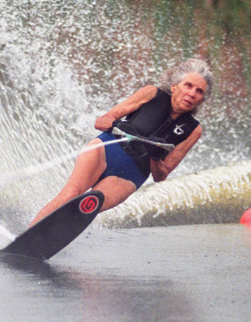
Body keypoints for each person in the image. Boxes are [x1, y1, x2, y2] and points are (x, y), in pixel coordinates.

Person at [30, 58, 213, 225]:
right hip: (106, 150)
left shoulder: (193, 130)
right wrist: (120, 125)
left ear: (201, 100)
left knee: (86, 207)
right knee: (71, 194)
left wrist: (156, 158)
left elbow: (160, 176)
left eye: (199, 91)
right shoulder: (151, 93)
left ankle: (46, 241)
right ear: (174, 86)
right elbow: (101, 121)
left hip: (131, 175)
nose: (192, 93)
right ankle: (28, 234)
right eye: (188, 85)